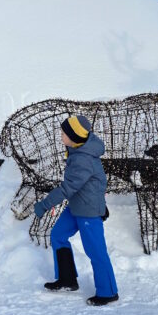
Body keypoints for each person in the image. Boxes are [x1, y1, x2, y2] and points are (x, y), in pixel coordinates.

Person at [33, 114, 119, 305]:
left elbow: (67, 188)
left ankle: (108, 292)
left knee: (96, 251)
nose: (61, 136)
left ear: (74, 137)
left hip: (88, 211)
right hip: (76, 206)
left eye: (64, 133)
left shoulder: (83, 159)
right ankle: (67, 279)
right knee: (58, 235)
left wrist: (44, 205)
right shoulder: (78, 150)